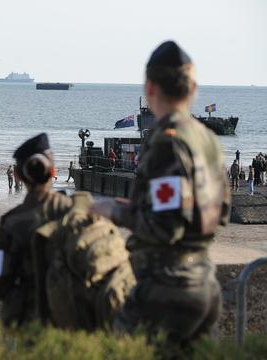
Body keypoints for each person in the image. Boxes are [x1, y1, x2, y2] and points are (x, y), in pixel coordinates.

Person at [90, 41, 230, 346]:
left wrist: (114, 212)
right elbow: (217, 214)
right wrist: (142, 207)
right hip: (204, 281)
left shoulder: (168, 142)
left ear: (150, 88)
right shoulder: (207, 140)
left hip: (164, 288)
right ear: (193, 87)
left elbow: (167, 226)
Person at [0, 133, 72, 327]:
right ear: (53, 171)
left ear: (18, 175)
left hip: (32, 324)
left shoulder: (11, 224)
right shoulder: (81, 213)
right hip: (78, 323)